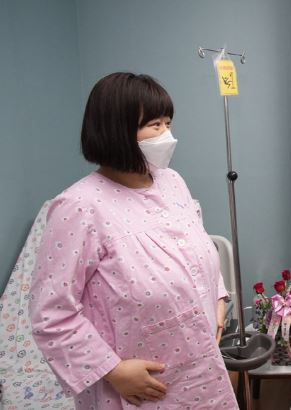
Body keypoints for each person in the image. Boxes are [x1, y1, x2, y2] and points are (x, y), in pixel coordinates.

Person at [29, 72, 238, 409]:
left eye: (168, 123)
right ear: (116, 129)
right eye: (154, 125)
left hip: (200, 368)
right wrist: (112, 370)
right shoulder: (79, 207)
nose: (167, 135)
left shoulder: (171, 182)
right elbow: (51, 313)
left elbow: (195, 248)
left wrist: (217, 297)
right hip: (137, 388)